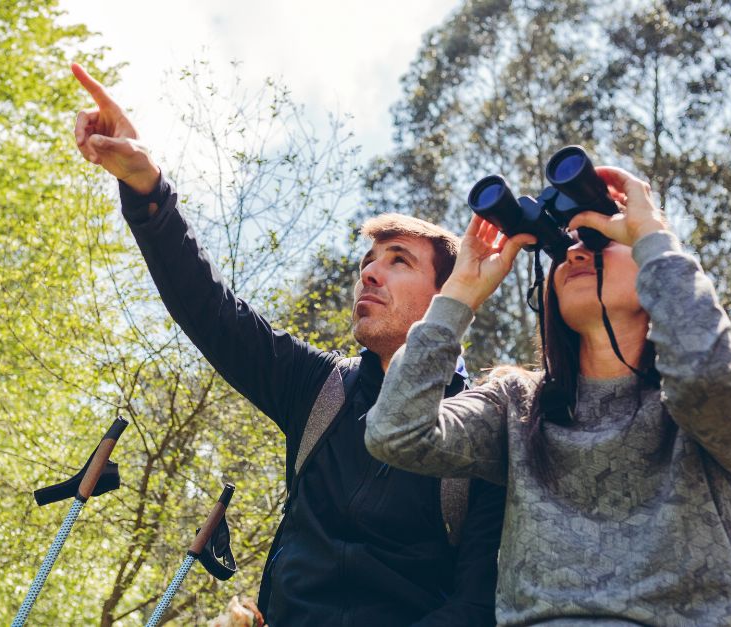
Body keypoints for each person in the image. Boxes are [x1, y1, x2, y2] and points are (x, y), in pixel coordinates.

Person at [69, 63, 505, 626]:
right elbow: (209, 309)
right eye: (367, 262)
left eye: (399, 263)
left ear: (450, 291)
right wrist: (146, 187)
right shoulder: (319, 387)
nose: (370, 275)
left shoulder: (488, 428)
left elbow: (475, 606)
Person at [364, 164, 731, 625]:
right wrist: (459, 295)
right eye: (564, 247)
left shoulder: (698, 404)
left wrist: (653, 234)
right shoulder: (518, 404)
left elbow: (706, 375)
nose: (576, 254)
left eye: (598, 242)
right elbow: (395, 432)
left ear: (652, 270)